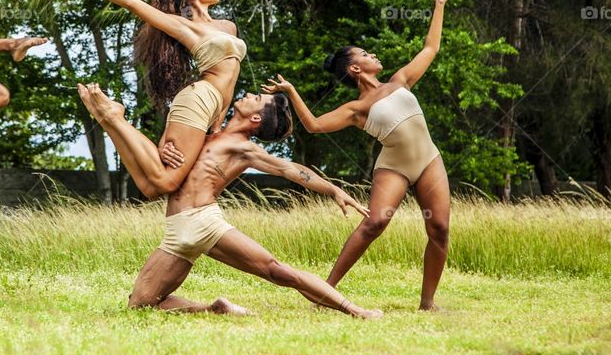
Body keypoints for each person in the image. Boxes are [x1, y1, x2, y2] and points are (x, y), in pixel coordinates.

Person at [77, 83, 383, 319]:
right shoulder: (209, 130)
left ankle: (356, 311)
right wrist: (161, 148)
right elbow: (173, 153)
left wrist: (333, 190)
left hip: (204, 223)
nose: (249, 93)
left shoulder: (243, 148)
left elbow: (291, 170)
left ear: (255, 118)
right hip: (176, 232)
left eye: (256, 99)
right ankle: (215, 308)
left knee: (278, 272)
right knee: (140, 306)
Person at [263, 0, 456, 311]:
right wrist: (292, 91)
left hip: (429, 161)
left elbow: (430, 49)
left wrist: (439, 5)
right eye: (366, 55)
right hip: (394, 166)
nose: (374, 55)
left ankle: (427, 302)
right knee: (374, 223)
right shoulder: (355, 110)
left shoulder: (400, 80)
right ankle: (325, 293)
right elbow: (313, 125)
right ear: (355, 68)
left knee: (439, 227)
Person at [43, 0, 245, 198]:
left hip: (212, 105)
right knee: (167, 181)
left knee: (154, 189)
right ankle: (114, 118)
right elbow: (130, 3)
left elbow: (231, 79)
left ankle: (109, 118)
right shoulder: (184, 26)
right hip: (199, 99)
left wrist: (218, 122)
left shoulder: (228, 26)